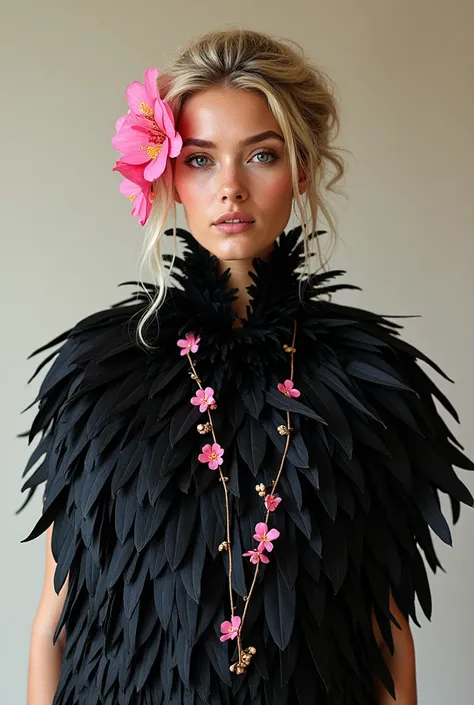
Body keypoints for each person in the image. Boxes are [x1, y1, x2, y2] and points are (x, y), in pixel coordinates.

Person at [20, 28, 473, 705]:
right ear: (166, 172)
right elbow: (54, 619)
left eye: (261, 154)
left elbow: (387, 628)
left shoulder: (371, 387)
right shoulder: (99, 378)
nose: (230, 187)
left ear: (302, 167)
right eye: (200, 159)